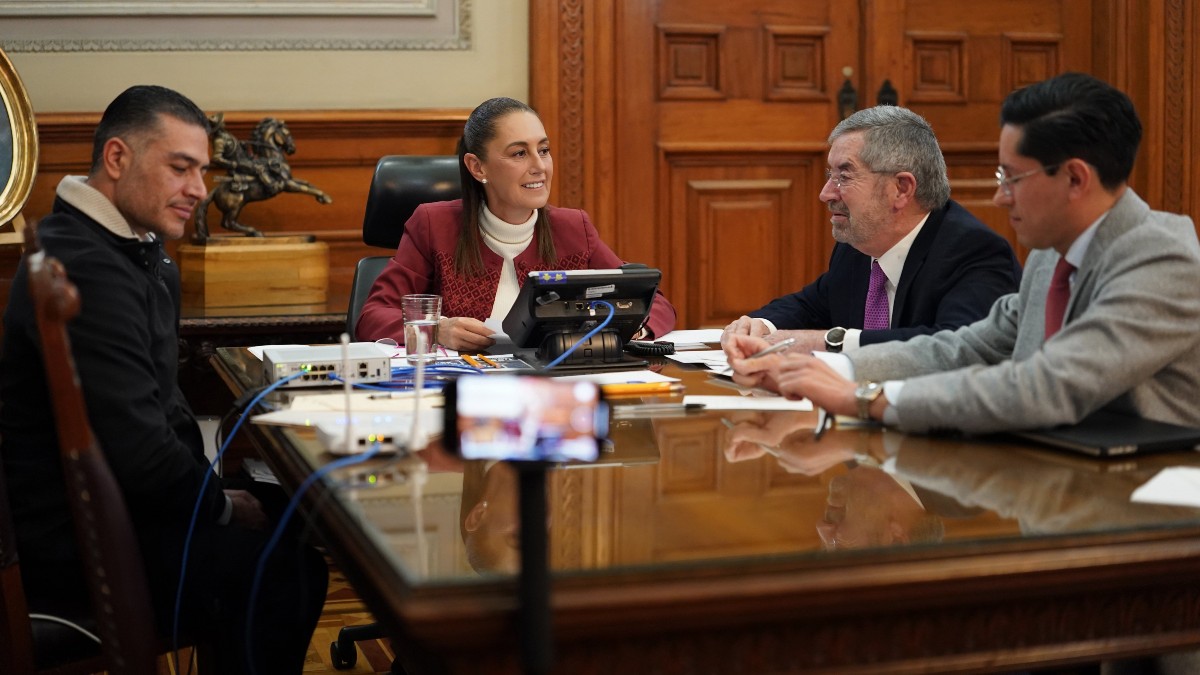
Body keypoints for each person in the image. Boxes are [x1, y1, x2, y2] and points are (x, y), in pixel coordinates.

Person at [0, 85, 327, 674]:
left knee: (296, 515)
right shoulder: (89, 268)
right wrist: (222, 507)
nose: (200, 190)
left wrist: (219, 499)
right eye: (181, 168)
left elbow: (160, 420)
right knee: (287, 563)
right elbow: (141, 453)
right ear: (118, 159)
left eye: (203, 170)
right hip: (82, 549)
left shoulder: (120, 249)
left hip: (118, 516)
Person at [727, 72, 1200, 435]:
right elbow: (969, 346)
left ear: (1075, 178)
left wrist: (866, 398)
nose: (1000, 198)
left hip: (1142, 512)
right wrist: (820, 370)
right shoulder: (1050, 257)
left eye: (1012, 179)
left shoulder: (1162, 259)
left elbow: (1048, 385)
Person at [356, 96, 676, 351]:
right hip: (462, 396)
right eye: (520, 154)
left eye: (544, 150)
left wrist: (634, 327)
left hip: (554, 396)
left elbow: (654, 303)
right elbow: (372, 317)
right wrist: (436, 330)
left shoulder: (573, 228)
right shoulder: (434, 225)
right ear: (477, 167)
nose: (540, 166)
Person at [722, 105, 1021, 355]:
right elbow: (811, 304)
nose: (826, 193)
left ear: (901, 189)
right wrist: (760, 325)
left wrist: (830, 343)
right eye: (830, 175)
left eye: (844, 176)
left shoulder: (974, 253)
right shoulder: (858, 246)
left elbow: (953, 350)